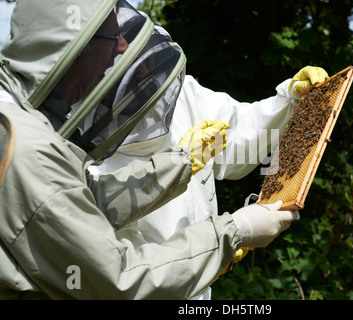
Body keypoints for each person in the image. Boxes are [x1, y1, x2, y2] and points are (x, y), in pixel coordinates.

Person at [0, 0, 299, 299]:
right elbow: (118, 280)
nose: (120, 47)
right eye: (110, 37)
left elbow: (90, 198)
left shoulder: (22, 125)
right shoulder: (28, 148)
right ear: (77, 47)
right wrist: (235, 231)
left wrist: (288, 102)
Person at [89, 18, 328, 299]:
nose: (140, 66)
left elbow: (239, 133)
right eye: (117, 52)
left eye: (130, 41)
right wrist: (223, 241)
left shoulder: (180, 92)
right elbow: (135, 274)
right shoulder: (85, 162)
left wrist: (287, 101)